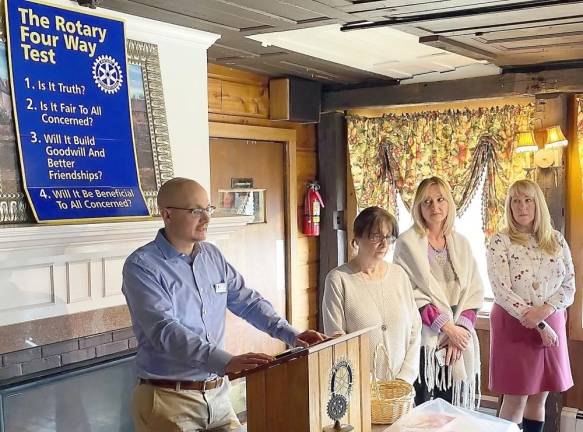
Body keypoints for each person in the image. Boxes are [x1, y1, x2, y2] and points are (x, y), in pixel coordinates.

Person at [122, 177, 325, 432]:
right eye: (196, 211)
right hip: (168, 401)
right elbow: (164, 330)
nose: (206, 219)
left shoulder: (212, 255)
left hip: (217, 396)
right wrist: (224, 361)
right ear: (167, 214)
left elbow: (247, 301)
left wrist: (292, 334)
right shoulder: (141, 266)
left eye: (208, 209)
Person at [487, 179, 575, 432]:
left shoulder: (556, 240)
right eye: (515, 201)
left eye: (528, 200)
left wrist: (545, 312)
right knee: (516, 399)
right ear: (509, 206)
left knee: (540, 398)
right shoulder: (500, 241)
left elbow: (569, 285)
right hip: (515, 325)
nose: (522, 206)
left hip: (552, 323)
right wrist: (537, 321)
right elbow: (501, 290)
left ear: (538, 205)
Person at [393, 176, 484, 409]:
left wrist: (459, 331)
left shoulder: (461, 242)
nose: (435, 207)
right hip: (426, 336)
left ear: (449, 203)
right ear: (418, 207)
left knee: (452, 407)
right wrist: (446, 327)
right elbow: (409, 291)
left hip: (458, 337)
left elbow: (474, 291)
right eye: (427, 202)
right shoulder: (407, 243)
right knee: (424, 404)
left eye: (440, 199)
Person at [322, 206, 422, 384]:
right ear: (357, 238)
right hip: (360, 389)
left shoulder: (399, 276)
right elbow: (337, 340)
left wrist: (404, 379)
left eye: (389, 237)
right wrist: (367, 385)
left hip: (402, 392)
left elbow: (415, 329)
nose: (384, 244)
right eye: (376, 236)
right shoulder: (338, 280)